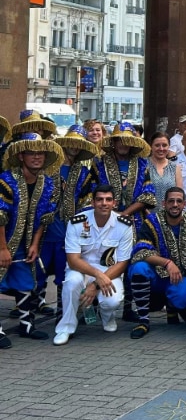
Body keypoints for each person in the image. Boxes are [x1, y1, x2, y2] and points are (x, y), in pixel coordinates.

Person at [127, 187, 186, 337]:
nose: (175, 204)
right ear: (164, 203)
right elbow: (141, 250)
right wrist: (167, 263)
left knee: (182, 299)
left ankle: (172, 308)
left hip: (180, 277)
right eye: (171, 201)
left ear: (184, 204)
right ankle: (143, 321)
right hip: (158, 275)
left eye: (179, 201)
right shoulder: (152, 222)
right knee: (139, 268)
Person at [0, 133, 61, 345]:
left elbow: (45, 217)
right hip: (3, 240)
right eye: (31, 153)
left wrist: (35, 244)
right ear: (22, 156)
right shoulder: (6, 180)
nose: (36, 157)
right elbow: (0, 216)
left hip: (27, 243)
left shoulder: (47, 183)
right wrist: (2, 249)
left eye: (40, 154)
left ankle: (26, 325)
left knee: (26, 282)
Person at [53, 186, 133, 346]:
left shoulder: (124, 225)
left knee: (112, 301)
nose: (104, 203)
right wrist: (97, 276)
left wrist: (96, 283)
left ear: (114, 203)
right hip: (80, 269)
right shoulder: (77, 222)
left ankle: (107, 316)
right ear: (93, 202)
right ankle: (65, 327)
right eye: (100, 199)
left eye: (108, 199)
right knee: (71, 283)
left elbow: (123, 263)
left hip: (109, 271)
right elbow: (73, 259)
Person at [44, 125, 99, 318]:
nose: (75, 147)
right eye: (72, 142)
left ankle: (64, 315)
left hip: (69, 231)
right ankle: (29, 318)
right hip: (45, 229)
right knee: (38, 273)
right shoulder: (49, 168)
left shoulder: (84, 173)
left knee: (66, 275)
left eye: (79, 144)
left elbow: (87, 200)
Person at [93, 122, 156, 229]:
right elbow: (92, 193)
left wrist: (124, 214)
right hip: (105, 219)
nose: (124, 144)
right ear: (114, 142)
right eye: (120, 140)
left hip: (135, 220)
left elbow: (148, 195)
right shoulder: (100, 164)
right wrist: (113, 214)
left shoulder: (141, 164)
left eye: (128, 141)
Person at [147, 131, 184, 207]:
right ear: (151, 146)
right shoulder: (143, 165)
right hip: (146, 214)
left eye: (164, 145)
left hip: (169, 215)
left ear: (169, 146)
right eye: (157, 145)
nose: (161, 149)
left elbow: (179, 195)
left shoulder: (175, 167)